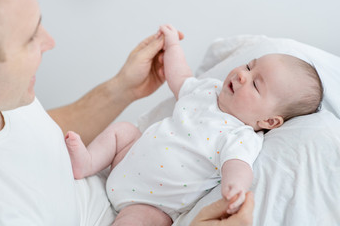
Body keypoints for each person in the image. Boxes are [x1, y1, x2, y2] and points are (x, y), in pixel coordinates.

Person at [0, 0, 256, 225]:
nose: (49, 42)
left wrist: (123, 88)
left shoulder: (2, 97)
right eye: (30, 38)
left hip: (118, 179)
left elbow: (33, 133)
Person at [65, 24, 324, 225]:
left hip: (152, 203)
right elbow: (180, 76)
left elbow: (238, 166)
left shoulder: (240, 136)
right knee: (123, 131)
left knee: (137, 223)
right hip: (124, 159)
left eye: (256, 84)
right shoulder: (207, 90)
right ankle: (87, 162)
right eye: (249, 65)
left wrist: (236, 188)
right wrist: (173, 45)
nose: (243, 75)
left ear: (269, 121)